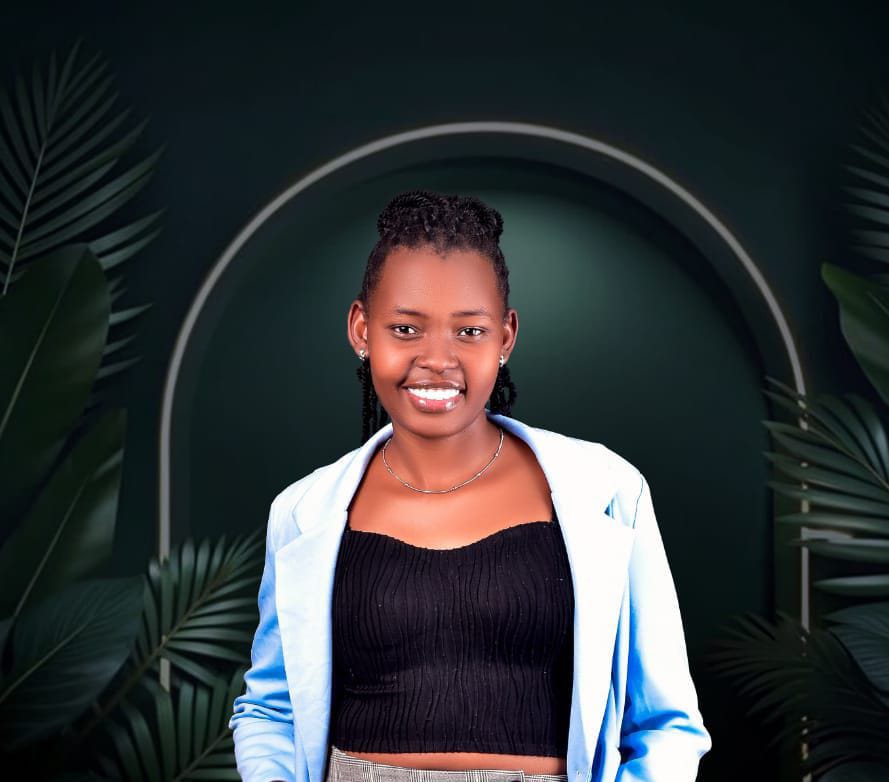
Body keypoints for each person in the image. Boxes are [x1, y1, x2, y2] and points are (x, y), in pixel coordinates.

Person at [229, 190, 712, 782]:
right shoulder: (303, 511)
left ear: (505, 337)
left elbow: (666, 722)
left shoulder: (608, 490)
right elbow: (271, 709)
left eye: (470, 331)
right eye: (405, 328)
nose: (437, 358)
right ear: (361, 329)